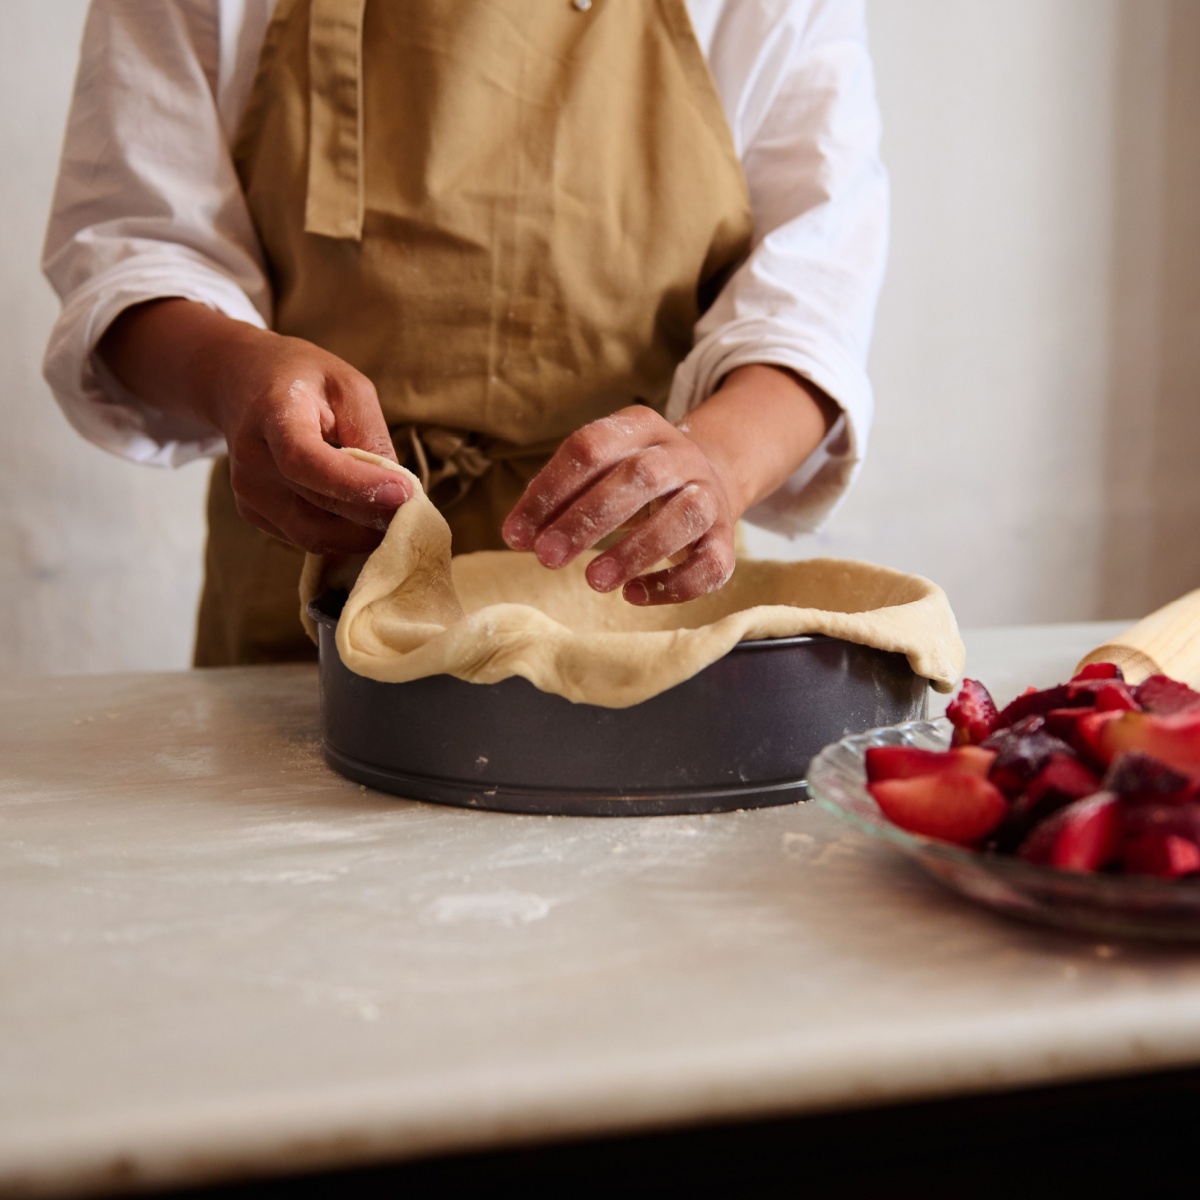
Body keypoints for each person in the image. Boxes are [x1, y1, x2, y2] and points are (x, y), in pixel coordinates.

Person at [43, 0, 888, 667]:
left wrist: (716, 463)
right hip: (313, 599)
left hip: (624, 600)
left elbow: (811, 297)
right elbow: (135, 247)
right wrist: (236, 373)